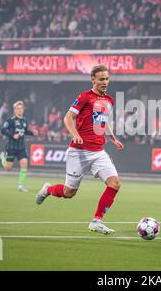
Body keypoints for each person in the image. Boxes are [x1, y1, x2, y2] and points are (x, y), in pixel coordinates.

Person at [35, 65, 124, 235]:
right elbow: (68, 117)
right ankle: (48, 189)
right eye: (101, 79)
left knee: (114, 184)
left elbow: (102, 122)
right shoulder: (84, 97)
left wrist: (113, 138)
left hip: (98, 152)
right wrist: (75, 134)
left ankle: (97, 221)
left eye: (107, 78)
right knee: (69, 193)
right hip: (79, 152)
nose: (105, 82)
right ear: (93, 79)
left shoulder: (109, 100)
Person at [0, 101, 38, 192]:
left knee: (24, 163)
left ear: (23, 110)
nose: (19, 110)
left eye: (21, 108)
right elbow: (2, 130)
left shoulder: (25, 121)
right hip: (11, 147)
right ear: (15, 110)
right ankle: (2, 157)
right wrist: (12, 135)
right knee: (8, 168)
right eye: (18, 109)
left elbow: (25, 131)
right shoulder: (10, 121)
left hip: (21, 147)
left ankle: (21, 186)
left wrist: (32, 133)